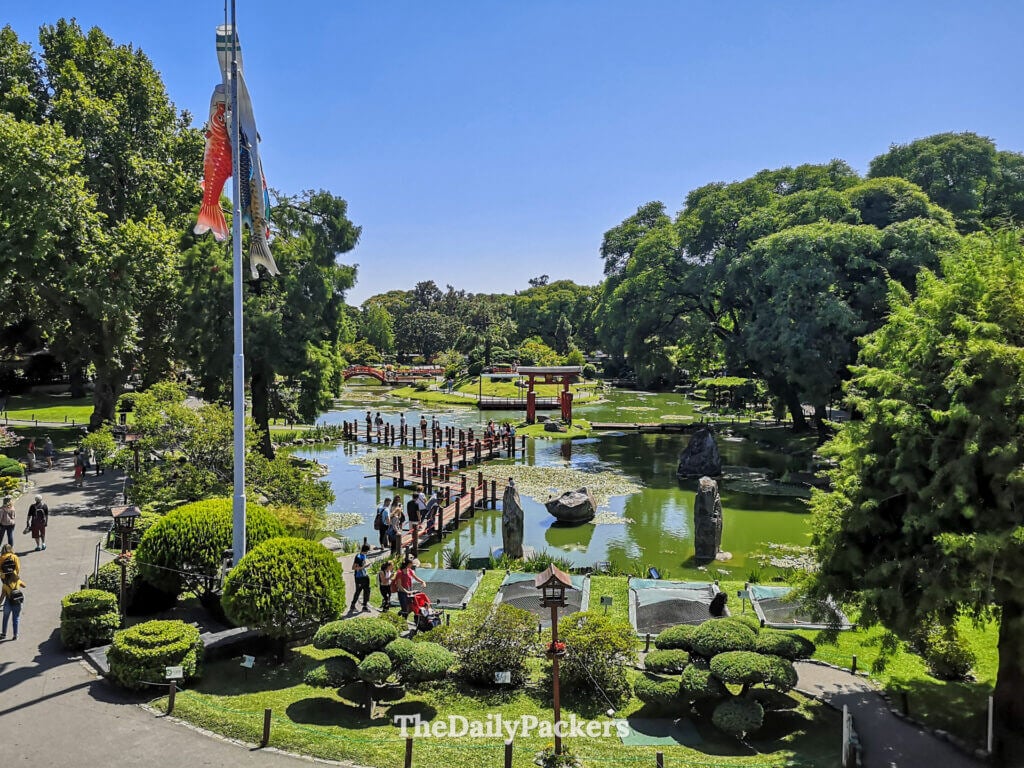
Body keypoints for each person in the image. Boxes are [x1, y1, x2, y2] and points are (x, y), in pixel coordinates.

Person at [1, 570, 26, 640]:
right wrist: (19, 580)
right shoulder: (18, 581)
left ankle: (4, 634)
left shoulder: (5, 584)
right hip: (17, 602)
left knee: (5, 618)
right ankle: (15, 635)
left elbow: (2, 596)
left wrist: (0, 604)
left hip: (8, 602)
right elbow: (24, 586)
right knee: (16, 619)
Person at [350, 544, 371, 612]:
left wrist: (365, 566)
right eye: (368, 551)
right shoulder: (358, 557)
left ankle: (365, 606)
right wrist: (363, 567)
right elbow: (353, 568)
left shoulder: (364, 555)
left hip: (365, 575)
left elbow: (363, 563)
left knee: (367, 591)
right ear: (365, 550)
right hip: (359, 577)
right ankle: (352, 606)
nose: (368, 552)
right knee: (358, 591)